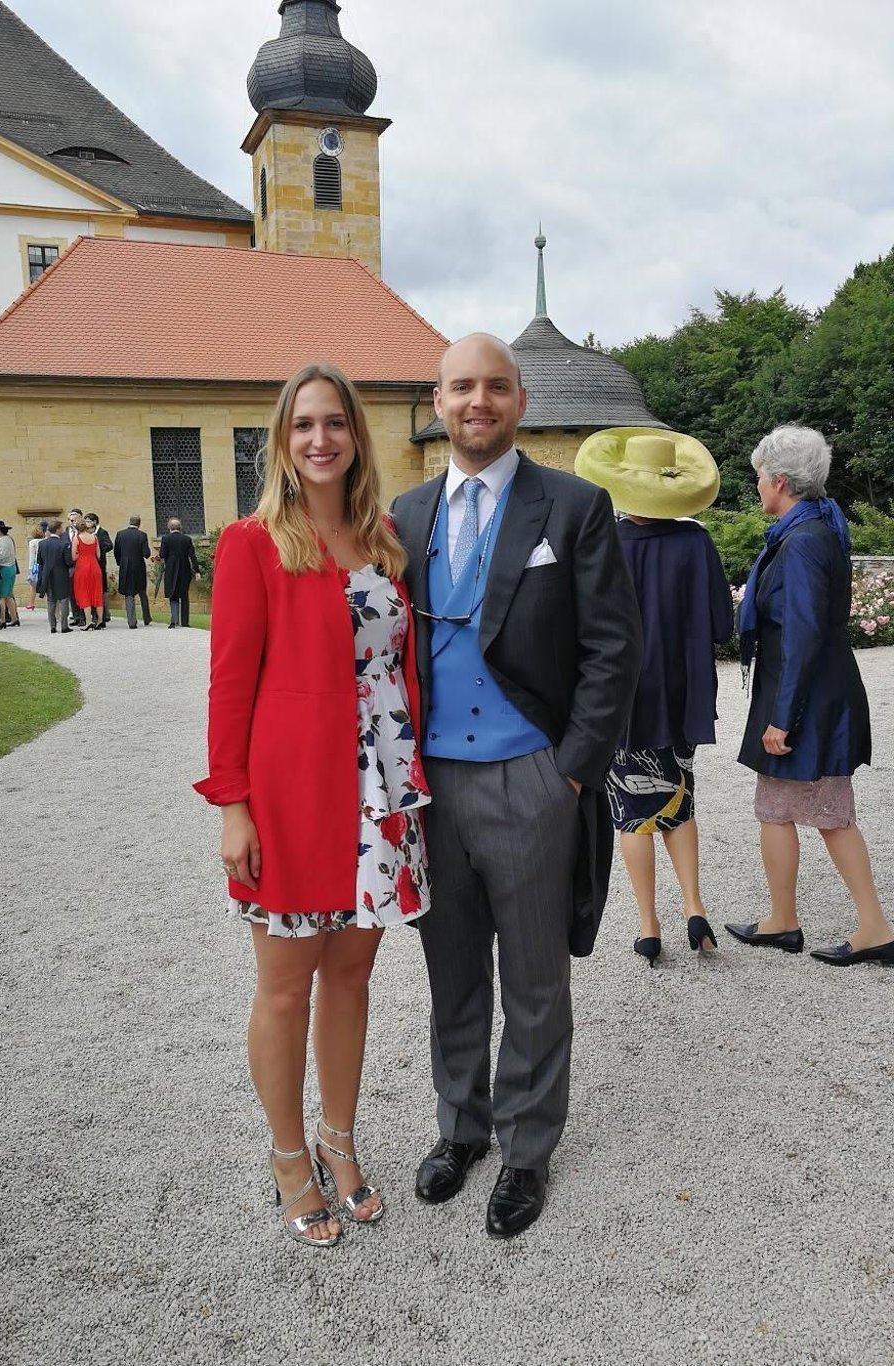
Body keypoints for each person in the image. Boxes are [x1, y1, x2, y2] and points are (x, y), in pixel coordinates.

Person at [390, 333, 642, 1239]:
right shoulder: (407, 514)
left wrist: (570, 773)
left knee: (535, 979)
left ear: (520, 400)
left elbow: (615, 650)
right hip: (432, 786)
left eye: (495, 387)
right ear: (439, 400)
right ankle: (463, 1127)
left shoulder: (573, 507)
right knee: (450, 970)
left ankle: (528, 1148)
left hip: (531, 777)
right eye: (462, 387)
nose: (478, 402)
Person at [194, 362, 430, 1248]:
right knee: (286, 988)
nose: (321, 439)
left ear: (355, 437)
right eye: (304, 426)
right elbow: (229, 687)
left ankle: (339, 1138)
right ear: (282, 442)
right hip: (292, 791)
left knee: (354, 976)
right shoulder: (253, 542)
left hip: (383, 792)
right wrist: (233, 806)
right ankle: (289, 1157)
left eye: (335, 423)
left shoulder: (387, 539)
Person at [724, 425, 894, 966]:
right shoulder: (819, 528)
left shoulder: (801, 543)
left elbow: (802, 635)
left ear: (779, 481)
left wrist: (784, 718)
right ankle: (786, 920)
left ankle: (872, 927)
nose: (755, 488)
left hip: (808, 700)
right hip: (811, 694)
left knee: (828, 814)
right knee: (782, 809)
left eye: (757, 479)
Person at [575, 428, 735, 966]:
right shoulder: (697, 541)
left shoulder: (605, 542)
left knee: (631, 812)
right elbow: (720, 625)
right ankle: (695, 907)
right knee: (679, 797)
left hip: (623, 697)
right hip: (681, 694)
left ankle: (648, 925)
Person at [159, 518, 200, 627]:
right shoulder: (186, 539)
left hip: (171, 569)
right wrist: (197, 571)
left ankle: (174, 620)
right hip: (184, 570)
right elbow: (192, 556)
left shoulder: (166, 539)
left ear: (169, 527)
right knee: (184, 595)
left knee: (173, 594)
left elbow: (162, 554)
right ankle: (185, 622)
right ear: (180, 527)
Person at [113, 515, 152, 628]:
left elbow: (116, 551)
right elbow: (146, 554)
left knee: (129, 593)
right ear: (139, 524)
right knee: (142, 592)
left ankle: (131, 621)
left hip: (125, 566)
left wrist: (120, 562)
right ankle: (146, 618)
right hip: (138, 566)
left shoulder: (120, 534)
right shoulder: (142, 535)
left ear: (129, 522)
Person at [36, 520, 72, 633]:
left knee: (51, 601)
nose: (62, 530)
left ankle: (52, 626)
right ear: (57, 529)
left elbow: (39, 561)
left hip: (47, 574)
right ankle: (64, 626)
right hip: (61, 574)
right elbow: (68, 562)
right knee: (64, 600)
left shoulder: (42, 544)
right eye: (61, 528)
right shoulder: (64, 544)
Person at [70, 514, 105, 630]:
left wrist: (81, 554)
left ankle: (88, 621)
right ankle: (100, 620)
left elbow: (73, 557)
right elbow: (99, 555)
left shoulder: (77, 538)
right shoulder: (94, 537)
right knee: (97, 592)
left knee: (84, 592)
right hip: (95, 566)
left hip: (82, 567)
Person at [0, 520, 20, 628]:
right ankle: (14, 618)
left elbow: (0, 557)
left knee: (1, 596)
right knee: (9, 595)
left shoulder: (1, 541)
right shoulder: (9, 539)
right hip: (11, 568)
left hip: (4, 570)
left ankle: (2, 619)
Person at [87, 512, 114, 625]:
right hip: (90, 564)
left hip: (100, 564)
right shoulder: (86, 533)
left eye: (88, 521)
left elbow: (109, 545)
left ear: (94, 522)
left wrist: (99, 550)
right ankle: (95, 615)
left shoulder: (102, 533)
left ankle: (104, 615)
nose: (86, 523)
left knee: (102, 590)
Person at [24, 521, 48, 610]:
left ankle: (31, 603)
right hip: (45, 564)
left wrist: (30, 569)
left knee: (32, 585)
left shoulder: (33, 542)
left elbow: (32, 556)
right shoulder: (45, 541)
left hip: (35, 565)